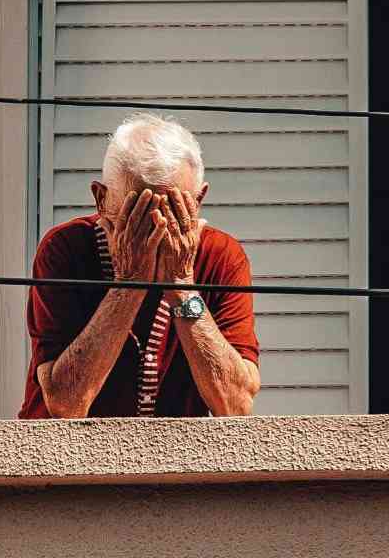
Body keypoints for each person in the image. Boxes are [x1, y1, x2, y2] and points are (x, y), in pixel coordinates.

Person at [19, 113, 260, 418]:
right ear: (101, 199)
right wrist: (129, 284)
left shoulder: (221, 255)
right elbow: (65, 403)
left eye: (172, 212)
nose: (155, 231)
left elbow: (236, 404)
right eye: (137, 216)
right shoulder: (65, 250)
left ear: (197, 202)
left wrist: (183, 286)